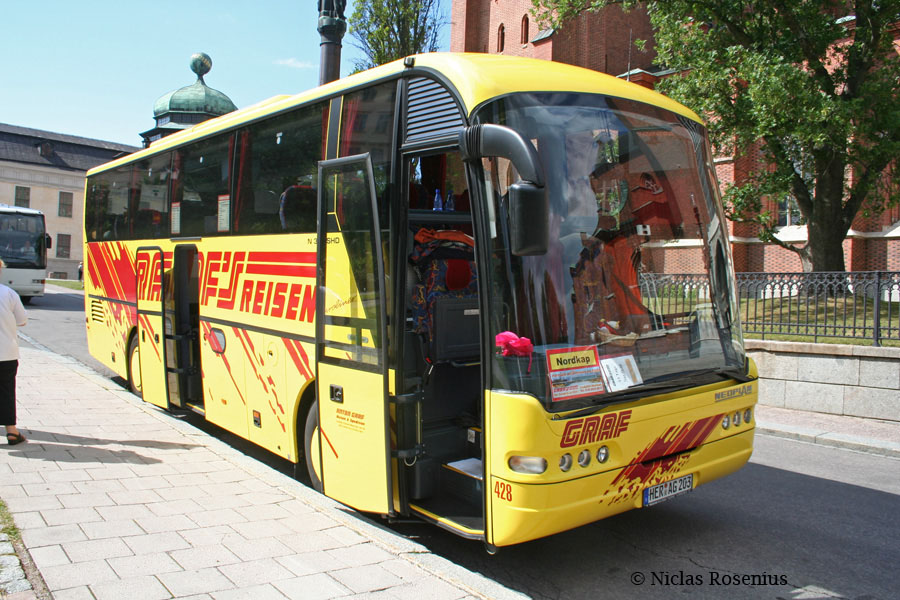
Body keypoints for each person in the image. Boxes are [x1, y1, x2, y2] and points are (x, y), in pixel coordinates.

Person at [0, 259, 28, 445]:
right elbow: (22, 320)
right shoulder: (8, 293)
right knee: (7, 390)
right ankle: (11, 431)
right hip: (6, 352)